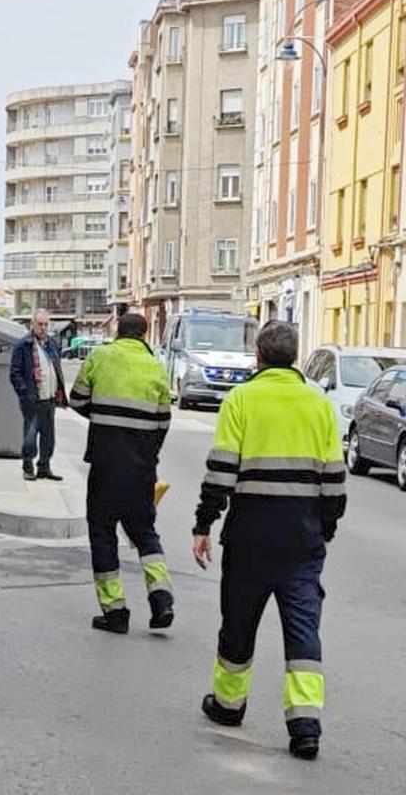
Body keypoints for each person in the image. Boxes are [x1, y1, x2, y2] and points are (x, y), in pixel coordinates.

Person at [193, 321, 345, 761]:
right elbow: (334, 482)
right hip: (301, 540)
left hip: (249, 538)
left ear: (258, 356)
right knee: (303, 631)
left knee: (238, 622)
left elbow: (221, 471)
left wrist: (204, 524)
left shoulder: (242, 399)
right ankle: (305, 725)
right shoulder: (318, 405)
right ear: (295, 357)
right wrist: (324, 530)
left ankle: (228, 705)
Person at [68, 313, 173, 633]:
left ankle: (115, 612)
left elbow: (76, 400)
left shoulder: (100, 356)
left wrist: (101, 417)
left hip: (105, 464)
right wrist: (146, 453)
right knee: (144, 532)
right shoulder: (156, 367)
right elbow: (163, 422)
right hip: (141, 468)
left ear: (118, 331)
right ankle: (162, 598)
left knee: (102, 531)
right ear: (143, 336)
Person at [10, 310, 66, 481]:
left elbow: (56, 369)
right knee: (30, 435)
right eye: (40, 324)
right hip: (32, 399)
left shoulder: (52, 344)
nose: (43, 328)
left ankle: (44, 467)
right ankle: (28, 465)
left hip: (49, 399)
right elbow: (15, 373)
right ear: (32, 325)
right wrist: (25, 394)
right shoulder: (23, 345)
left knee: (49, 437)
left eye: (46, 324)